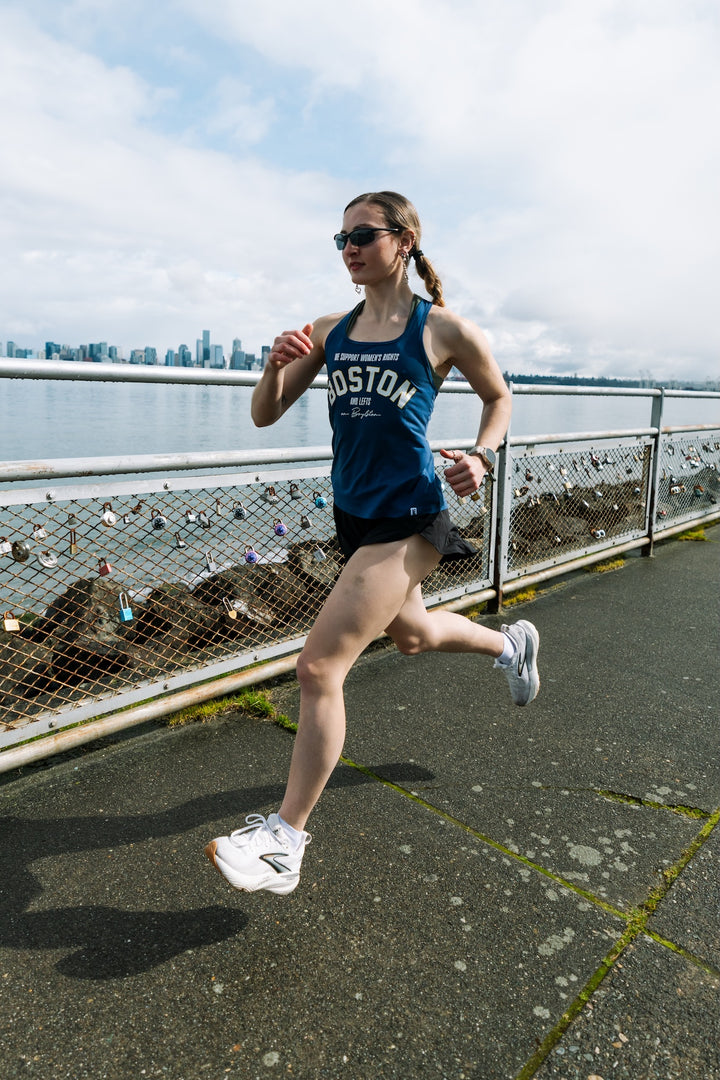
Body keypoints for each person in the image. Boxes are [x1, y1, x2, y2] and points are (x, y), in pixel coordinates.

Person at [205, 191, 539, 895]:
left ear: (406, 239)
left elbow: (499, 397)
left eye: (363, 234)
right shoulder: (331, 329)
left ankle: (284, 842)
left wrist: (480, 456)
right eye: (341, 238)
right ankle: (511, 647)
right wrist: (272, 364)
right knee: (413, 635)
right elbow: (267, 415)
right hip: (353, 515)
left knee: (319, 669)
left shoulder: (442, 329)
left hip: (410, 514)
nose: (350, 247)